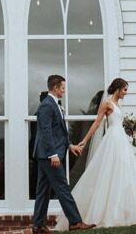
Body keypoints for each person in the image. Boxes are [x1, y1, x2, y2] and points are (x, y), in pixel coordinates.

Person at [54, 78, 136, 230]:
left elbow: (118, 122)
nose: (126, 93)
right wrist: (84, 140)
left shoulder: (118, 104)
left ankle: (123, 210)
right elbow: (97, 123)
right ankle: (104, 212)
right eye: (124, 90)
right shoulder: (107, 103)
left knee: (125, 172)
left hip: (121, 140)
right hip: (113, 140)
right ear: (117, 89)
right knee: (109, 172)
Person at [32, 75, 97, 233]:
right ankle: (75, 222)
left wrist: (69, 145)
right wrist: (53, 154)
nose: (64, 91)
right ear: (55, 88)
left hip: (46, 155)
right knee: (62, 187)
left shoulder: (53, 104)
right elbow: (46, 132)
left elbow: (58, 131)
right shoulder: (47, 105)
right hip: (49, 156)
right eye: (62, 88)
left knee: (43, 190)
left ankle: (38, 225)